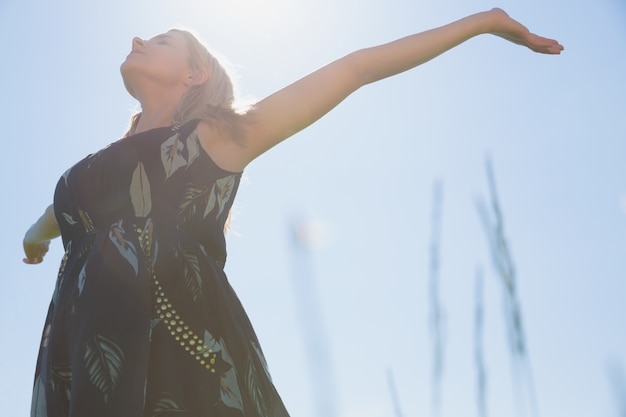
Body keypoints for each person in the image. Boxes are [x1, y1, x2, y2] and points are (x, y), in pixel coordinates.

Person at [22, 7, 563, 417]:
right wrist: (35, 238)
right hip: (81, 340)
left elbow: (356, 69)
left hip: (176, 343)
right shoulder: (94, 171)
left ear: (196, 75)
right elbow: (60, 212)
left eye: (163, 41)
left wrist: (483, 22)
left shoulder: (216, 137)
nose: (139, 39)